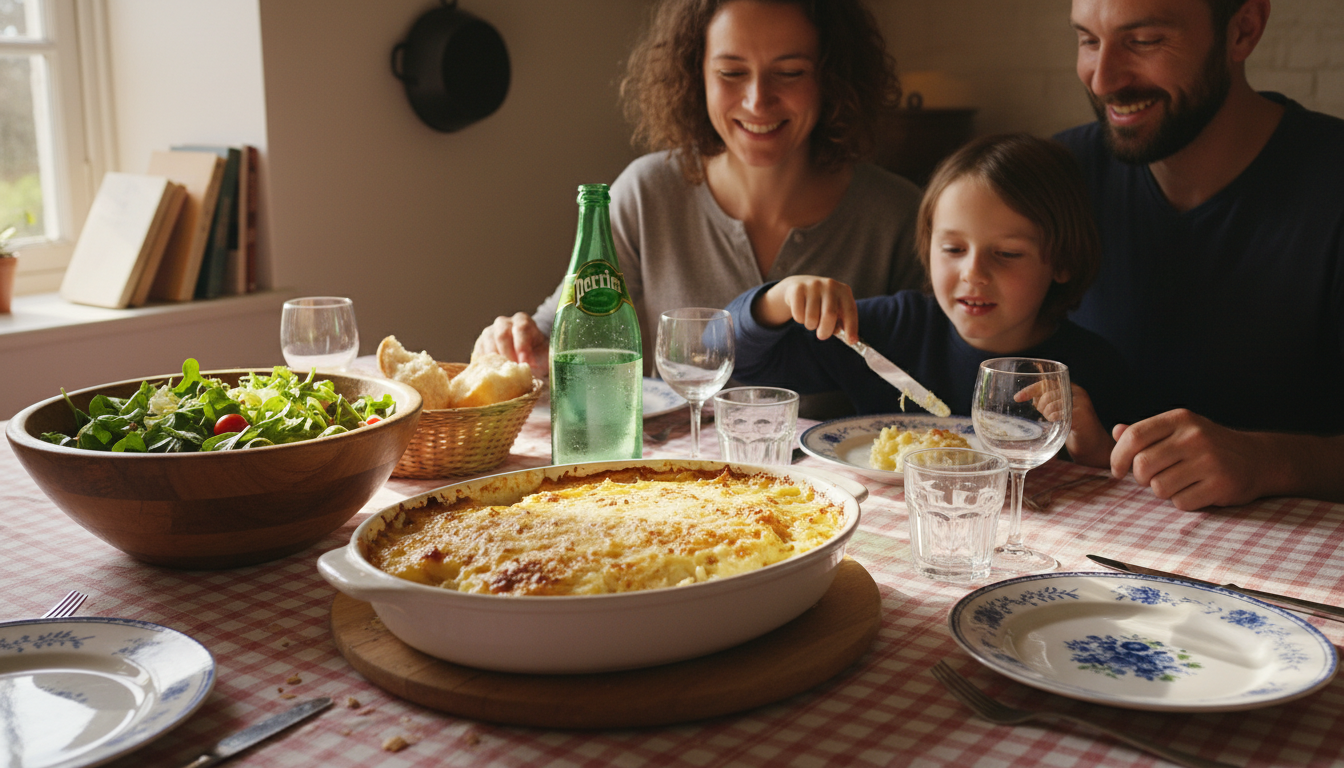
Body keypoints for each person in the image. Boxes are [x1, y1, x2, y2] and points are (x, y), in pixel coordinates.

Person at [473, 0, 924, 396]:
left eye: (789, 73)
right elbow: (557, 341)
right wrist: (517, 345)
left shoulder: (897, 215)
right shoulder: (647, 193)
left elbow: (936, 372)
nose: (757, 100)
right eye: (731, 73)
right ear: (696, 76)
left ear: (832, 78)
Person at [1057, 0, 1344, 507]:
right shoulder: (1056, 178)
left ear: (1243, 30)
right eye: (1088, 41)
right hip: (1084, 539)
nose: (1102, 80)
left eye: (1144, 41)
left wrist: (1267, 461)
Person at [727, 133, 1129, 468]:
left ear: (1061, 261)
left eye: (1007, 253)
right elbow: (734, 360)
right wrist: (779, 299)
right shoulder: (892, 329)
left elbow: (1125, 482)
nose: (973, 273)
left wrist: (1092, 446)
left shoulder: (1090, 368)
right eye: (953, 249)